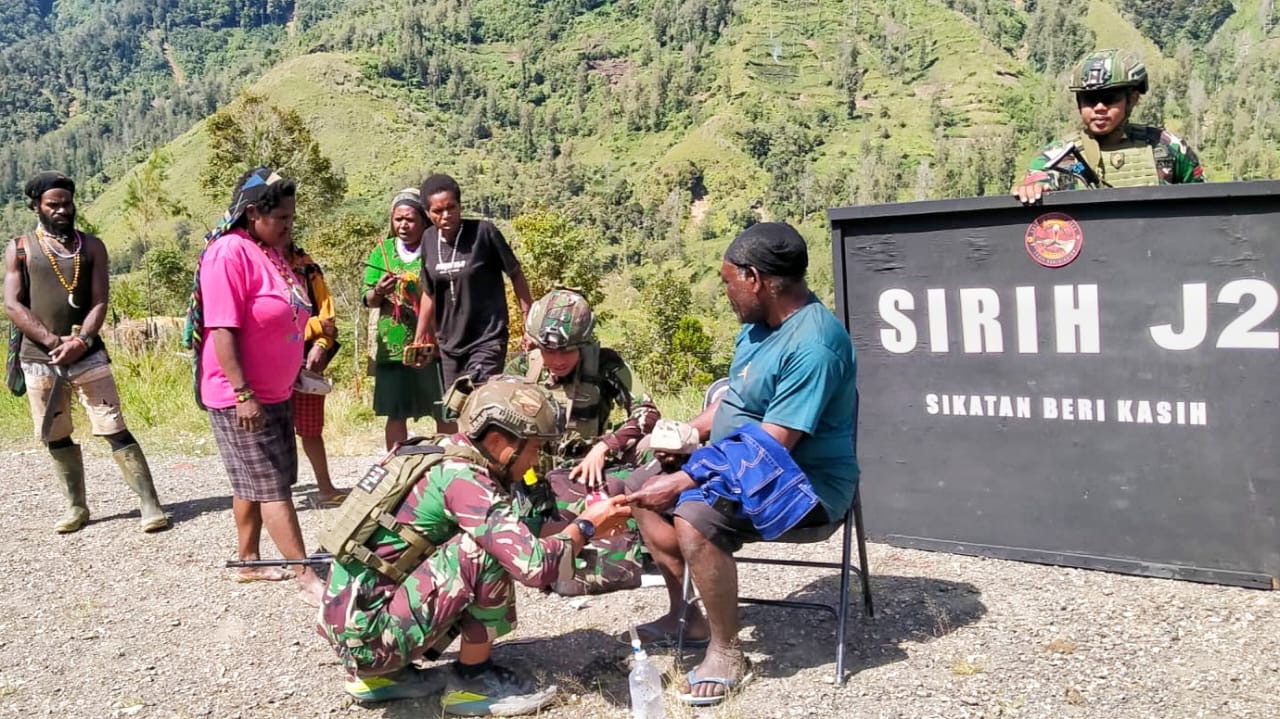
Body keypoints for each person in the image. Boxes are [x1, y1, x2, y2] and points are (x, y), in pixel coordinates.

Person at [624, 222, 858, 706]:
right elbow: (739, 402)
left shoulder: (814, 345)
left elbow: (773, 445)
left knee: (695, 515)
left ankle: (727, 650)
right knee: (641, 488)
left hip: (805, 483)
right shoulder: (757, 330)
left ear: (755, 279)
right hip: (746, 462)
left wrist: (690, 477)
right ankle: (685, 615)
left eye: (728, 280)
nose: (725, 291)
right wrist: (688, 433)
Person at [316, 376, 633, 716]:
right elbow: (533, 565)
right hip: (370, 641)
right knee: (483, 551)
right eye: (534, 448)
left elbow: (519, 528)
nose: (535, 461)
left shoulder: (441, 452)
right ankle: (473, 683)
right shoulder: (464, 478)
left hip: (354, 627)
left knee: (493, 539)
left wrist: (576, 526)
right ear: (499, 441)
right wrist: (585, 527)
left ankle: (384, 679)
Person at [186, 167, 324, 605]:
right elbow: (222, 330)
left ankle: (248, 560)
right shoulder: (229, 253)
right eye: (280, 217)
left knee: (259, 479)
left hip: (276, 390)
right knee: (271, 486)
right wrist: (244, 395)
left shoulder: (271, 252)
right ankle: (305, 575)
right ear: (252, 213)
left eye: (291, 217)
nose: (288, 225)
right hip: (239, 396)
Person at [3, 171, 168, 534]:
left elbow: (100, 300)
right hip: (39, 358)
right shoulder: (20, 248)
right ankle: (76, 506)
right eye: (53, 204)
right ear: (36, 206)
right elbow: (13, 305)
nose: (62, 210)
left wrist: (79, 341)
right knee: (56, 434)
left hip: (88, 353)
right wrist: (51, 341)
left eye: (67, 203)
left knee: (114, 427)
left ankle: (149, 504)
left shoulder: (91, 246)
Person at [509, 287, 660, 594]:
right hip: (538, 479)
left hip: (594, 468)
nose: (558, 360)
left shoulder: (605, 364)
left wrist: (606, 445)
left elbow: (647, 411)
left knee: (660, 451)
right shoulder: (524, 369)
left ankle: (652, 540)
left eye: (567, 351)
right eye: (550, 351)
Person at [412, 173, 534, 434]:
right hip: (449, 344)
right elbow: (429, 292)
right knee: (457, 409)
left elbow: (516, 274)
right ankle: (471, 468)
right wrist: (420, 335)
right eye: (438, 211)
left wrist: (529, 322)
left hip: (487, 338)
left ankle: (495, 466)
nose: (446, 216)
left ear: (460, 206)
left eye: (451, 208)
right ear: (427, 213)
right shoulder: (428, 240)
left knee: (483, 405)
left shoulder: (484, 233)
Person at [1014, 49, 1204, 204]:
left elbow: (1203, 204)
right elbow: (1037, 182)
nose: (1099, 109)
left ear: (1133, 99)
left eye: (1109, 99)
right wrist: (1033, 188)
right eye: (1089, 100)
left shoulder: (1168, 148)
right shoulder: (1057, 156)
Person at [364, 188, 445, 449]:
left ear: (423, 220)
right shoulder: (382, 251)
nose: (403, 225)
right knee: (395, 412)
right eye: (398, 219)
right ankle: (398, 468)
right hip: (393, 346)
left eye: (409, 219)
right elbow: (367, 298)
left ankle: (451, 464)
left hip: (433, 345)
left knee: (442, 408)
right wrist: (379, 291)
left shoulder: (436, 247)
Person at [288, 242, 346, 507]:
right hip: (269, 361)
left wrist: (321, 344)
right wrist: (314, 326)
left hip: (307, 361)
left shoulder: (307, 266)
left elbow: (328, 318)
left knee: (311, 429)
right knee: (275, 428)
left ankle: (325, 488)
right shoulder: (259, 266)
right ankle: (277, 494)